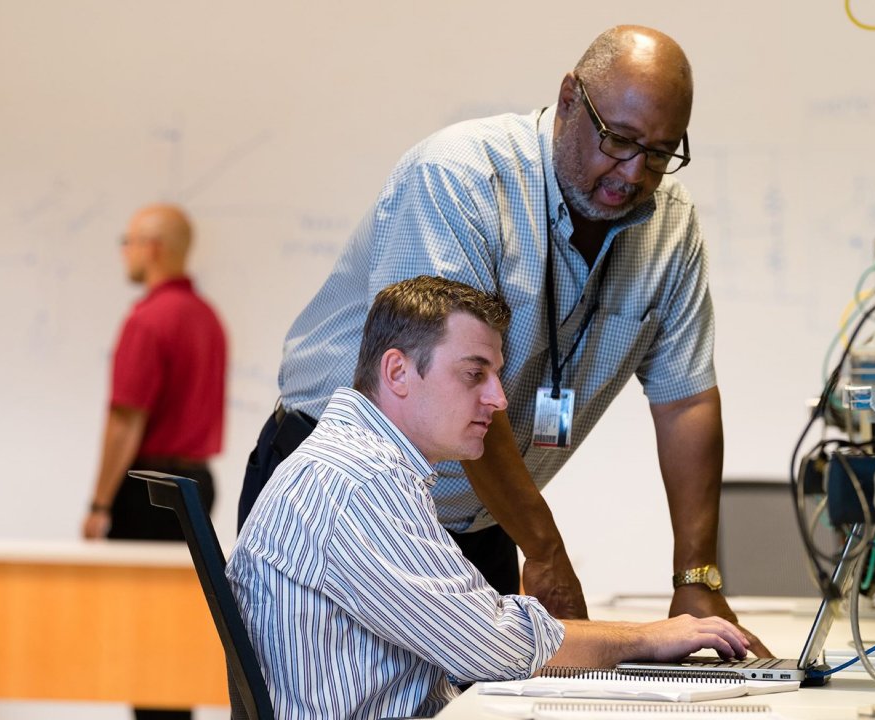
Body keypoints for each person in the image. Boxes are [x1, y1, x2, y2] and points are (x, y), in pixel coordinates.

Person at [237, 25, 769, 653]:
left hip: (483, 510)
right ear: (570, 98)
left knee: (493, 692)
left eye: (659, 153)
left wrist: (696, 575)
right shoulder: (460, 179)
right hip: (354, 506)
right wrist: (543, 548)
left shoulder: (670, 227)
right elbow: (449, 384)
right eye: (619, 141)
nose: (632, 173)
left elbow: (686, 400)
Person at [228, 276, 749, 719]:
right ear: (397, 372)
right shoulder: (353, 485)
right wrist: (649, 639)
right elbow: (493, 646)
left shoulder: (362, 468)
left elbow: (480, 630)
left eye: (496, 375)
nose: (498, 399)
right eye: (475, 373)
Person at [81, 203, 226, 720]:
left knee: (141, 639)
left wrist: (99, 503)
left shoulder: (148, 320)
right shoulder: (208, 319)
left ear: (155, 248)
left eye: (130, 240)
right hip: (196, 486)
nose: (125, 250)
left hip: (147, 490)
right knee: (171, 636)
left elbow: (126, 420)